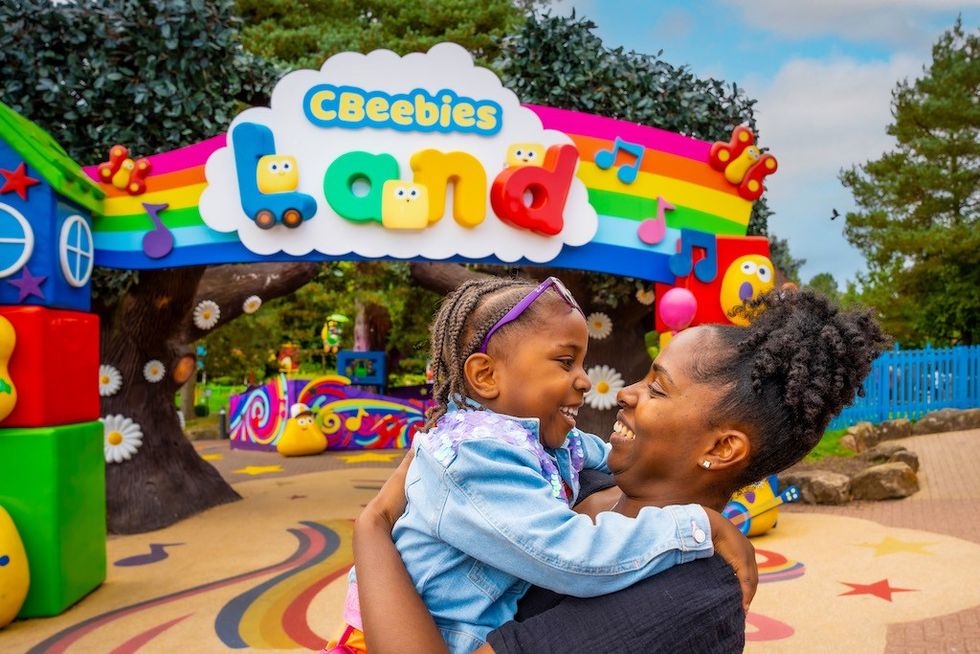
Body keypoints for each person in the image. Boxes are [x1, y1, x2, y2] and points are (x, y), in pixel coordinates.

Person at [352, 288, 890, 653]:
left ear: (723, 447)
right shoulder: (579, 478)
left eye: (657, 388)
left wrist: (373, 524)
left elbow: (567, 554)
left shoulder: (689, 600)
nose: (623, 392)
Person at [326, 276, 756, 653]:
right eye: (566, 362)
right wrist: (697, 526)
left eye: (583, 363)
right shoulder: (478, 457)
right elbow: (571, 555)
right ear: (487, 376)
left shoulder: (534, 439)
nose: (587, 381)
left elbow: (600, 452)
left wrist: (374, 521)